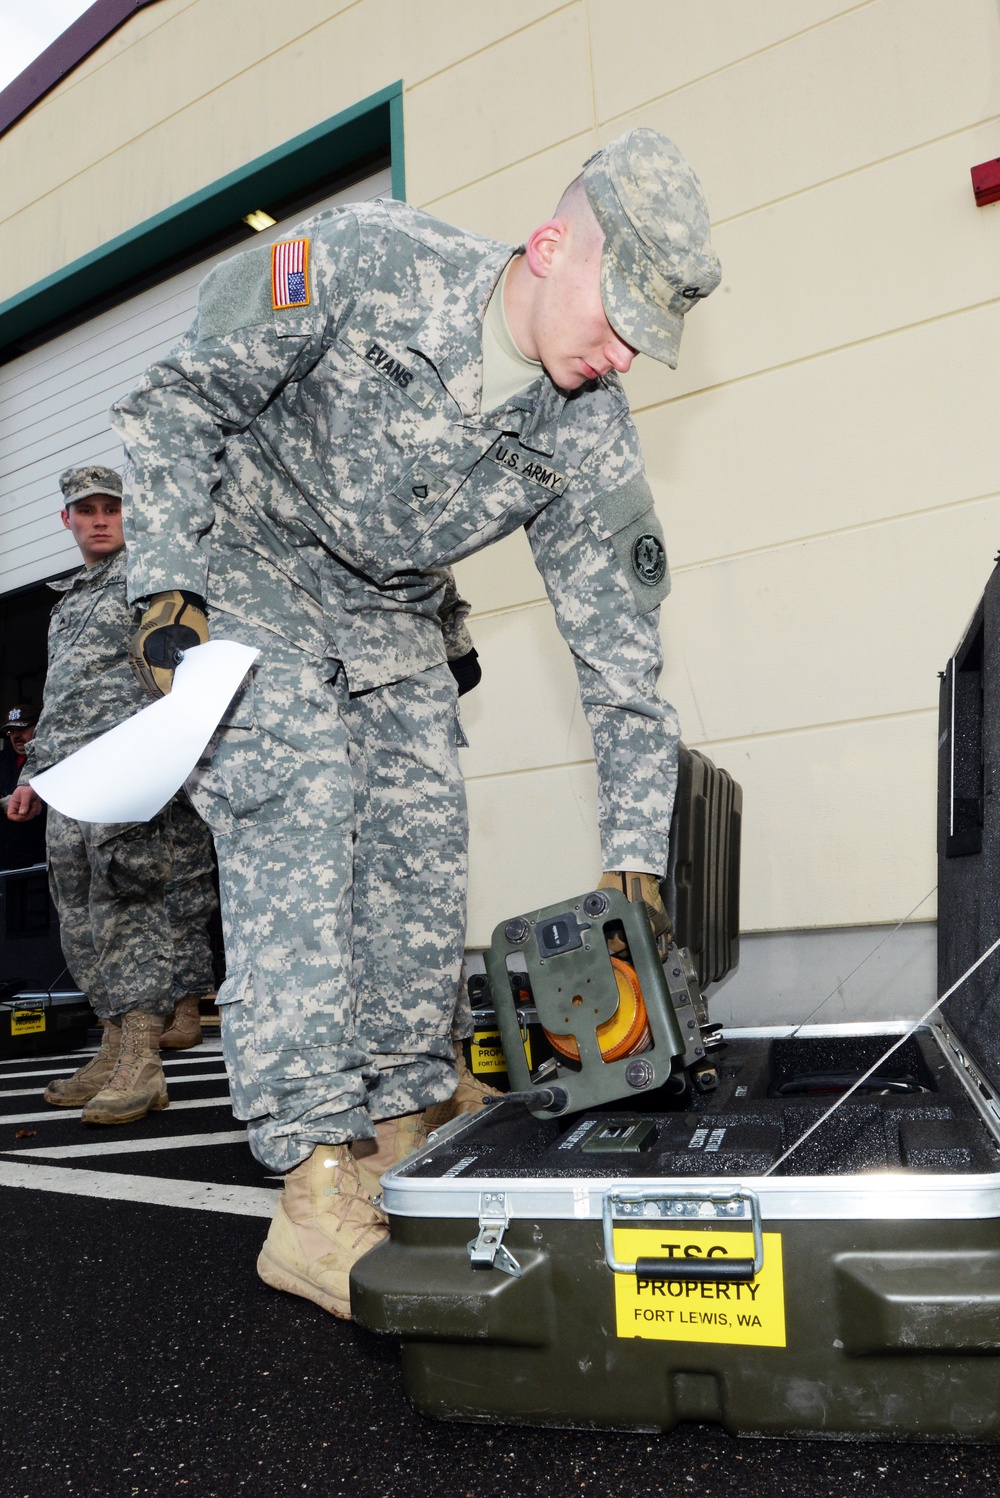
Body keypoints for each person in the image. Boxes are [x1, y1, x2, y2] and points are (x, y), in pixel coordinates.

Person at [111, 127, 720, 1317]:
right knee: (303, 802)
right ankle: (311, 1178)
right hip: (248, 575)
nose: (626, 354)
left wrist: (635, 855)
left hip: (390, 620)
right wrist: (164, 582)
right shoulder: (365, 262)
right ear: (550, 248)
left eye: (648, 335)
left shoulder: (584, 428)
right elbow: (178, 398)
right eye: (618, 317)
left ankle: (395, 1124)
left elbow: (622, 662)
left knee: (419, 848)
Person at [6, 466, 219, 1120]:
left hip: (129, 766)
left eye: (113, 508)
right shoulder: (66, 602)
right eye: (86, 510)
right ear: (65, 521)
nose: (100, 520)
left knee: (130, 908)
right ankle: (113, 1044)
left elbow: (187, 665)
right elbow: (60, 699)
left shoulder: (154, 578)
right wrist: (29, 776)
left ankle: (142, 1059)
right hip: (69, 779)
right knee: (79, 915)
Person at [0, 706, 46, 869]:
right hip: (5, 863)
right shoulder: (3, 761)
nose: (16, 736)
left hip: (40, 862)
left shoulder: (49, 761)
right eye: (11, 731)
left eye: (22, 728)